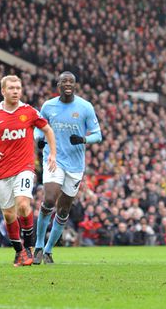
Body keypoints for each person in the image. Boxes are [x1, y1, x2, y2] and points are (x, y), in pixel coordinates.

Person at [0, 75, 57, 266]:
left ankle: (30, 248)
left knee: (23, 204)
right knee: (8, 215)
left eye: (18, 88)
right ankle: (19, 251)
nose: (16, 91)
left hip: (25, 168)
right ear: (3, 91)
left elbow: (48, 130)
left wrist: (52, 154)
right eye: (12, 88)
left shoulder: (29, 111)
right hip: (2, 171)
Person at [33, 72, 102, 265]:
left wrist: (83, 139)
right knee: (49, 199)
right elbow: (38, 127)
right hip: (54, 159)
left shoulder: (85, 107)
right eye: (64, 81)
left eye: (71, 81)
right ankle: (38, 246)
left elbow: (98, 135)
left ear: (75, 85)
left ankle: (48, 250)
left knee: (63, 211)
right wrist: (39, 139)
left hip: (75, 165)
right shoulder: (48, 106)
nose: (68, 84)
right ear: (58, 85)